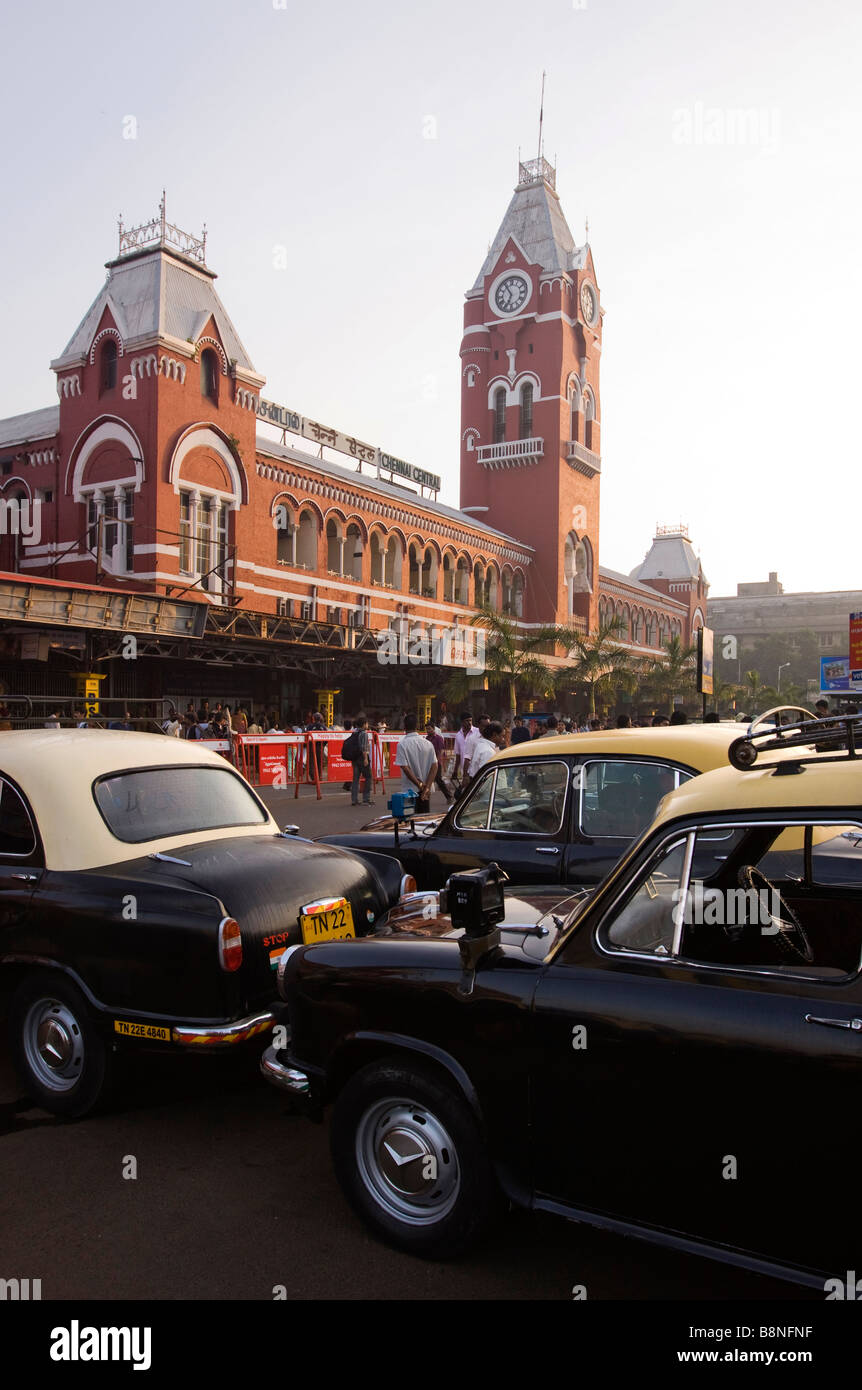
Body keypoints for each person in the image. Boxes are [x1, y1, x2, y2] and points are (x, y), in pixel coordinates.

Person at [395, 713, 438, 813]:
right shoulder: (428, 743)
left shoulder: (402, 745)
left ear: (404, 727)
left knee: (410, 819)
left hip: (410, 790)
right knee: (424, 819)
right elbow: (435, 766)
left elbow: (405, 768)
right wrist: (426, 788)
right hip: (426, 790)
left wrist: (419, 785)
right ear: (418, 726)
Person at [452, 712, 480, 791]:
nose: (469, 723)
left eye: (470, 720)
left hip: (476, 769)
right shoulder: (458, 735)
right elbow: (458, 754)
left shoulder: (478, 732)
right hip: (464, 771)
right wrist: (455, 770)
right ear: (462, 722)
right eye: (467, 721)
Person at [349, 716, 373, 806]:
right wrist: (366, 759)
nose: (367, 725)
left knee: (355, 779)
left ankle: (354, 799)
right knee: (368, 777)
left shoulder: (354, 732)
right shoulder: (364, 733)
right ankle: (366, 799)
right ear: (364, 724)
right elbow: (364, 748)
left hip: (354, 758)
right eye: (366, 723)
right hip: (362, 758)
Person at [425, 720, 452, 800]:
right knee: (427, 779)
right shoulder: (427, 738)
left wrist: (436, 761)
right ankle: (426, 796)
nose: (428, 731)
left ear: (433, 729)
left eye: (429, 729)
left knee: (438, 780)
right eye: (427, 729)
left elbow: (440, 751)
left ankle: (449, 796)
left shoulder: (439, 738)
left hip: (436, 762)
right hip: (428, 762)